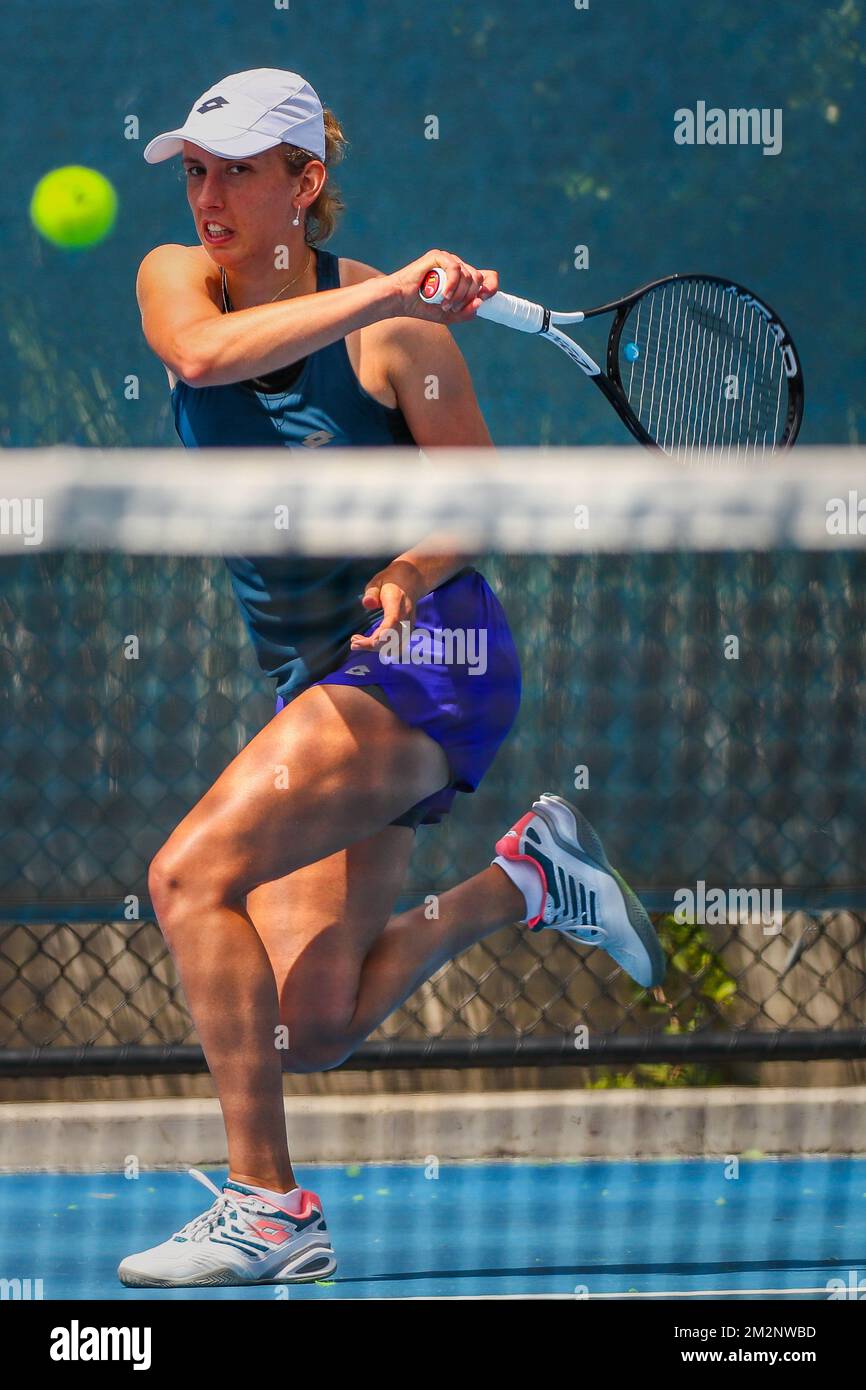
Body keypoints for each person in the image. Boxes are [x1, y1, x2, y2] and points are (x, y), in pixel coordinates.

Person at [119, 68, 664, 1288]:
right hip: (313, 685)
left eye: (238, 171)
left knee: (187, 872)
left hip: (431, 658)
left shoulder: (398, 333)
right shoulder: (179, 276)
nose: (207, 195)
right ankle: (520, 878)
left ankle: (268, 1208)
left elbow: (476, 500)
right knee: (306, 1027)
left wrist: (413, 563)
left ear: (304, 183)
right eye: (196, 170)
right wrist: (368, 291)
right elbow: (202, 358)